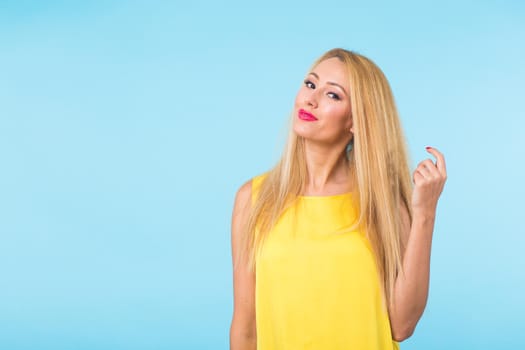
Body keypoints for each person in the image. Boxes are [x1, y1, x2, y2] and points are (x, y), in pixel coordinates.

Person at [229, 48, 447, 350]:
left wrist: (425, 212)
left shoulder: (382, 203)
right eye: (310, 84)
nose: (310, 99)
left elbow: (402, 324)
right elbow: (245, 326)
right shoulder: (254, 199)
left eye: (333, 95)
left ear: (356, 120)